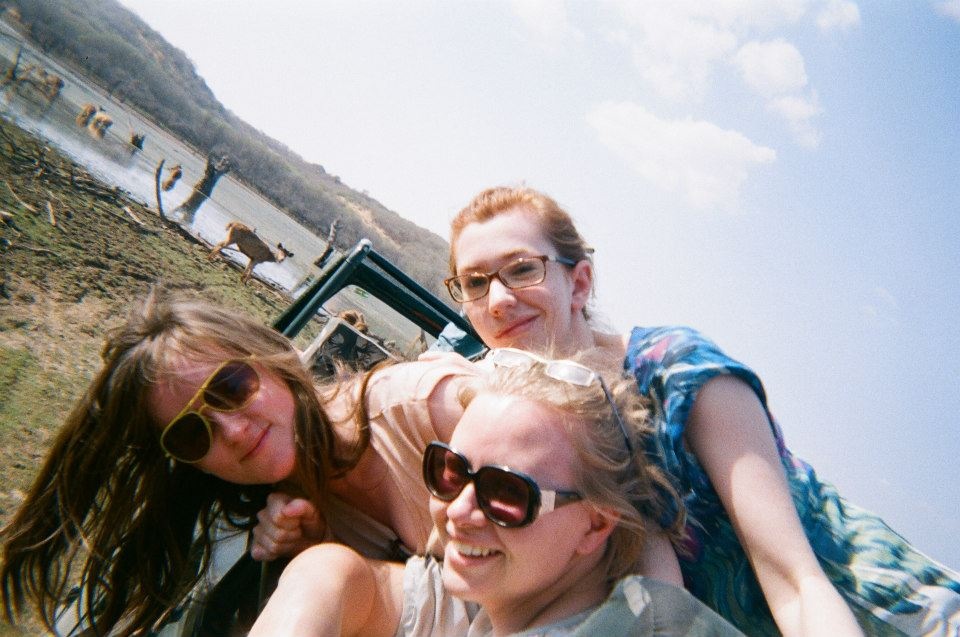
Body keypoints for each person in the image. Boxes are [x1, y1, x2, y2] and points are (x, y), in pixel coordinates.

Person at [445, 185, 960, 636]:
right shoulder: (560, 427)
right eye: (474, 283)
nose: (497, 302)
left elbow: (794, 580)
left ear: (578, 283)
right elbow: (656, 590)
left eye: (521, 270)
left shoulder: (677, 372)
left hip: (880, 611)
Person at [0, 289, 477, 635]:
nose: (231, 430)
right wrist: (319, 542)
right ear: (193, 464)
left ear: (273, 358)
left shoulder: (416, 407)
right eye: (192, 434)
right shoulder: (297, 510)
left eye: (229, 387)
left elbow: (534, 409)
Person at [249, 348, 744, 636]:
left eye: (507, 493)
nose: (459, 511)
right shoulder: (515, 596)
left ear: (594, 524)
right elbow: (346, 577)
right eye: (449, 470)